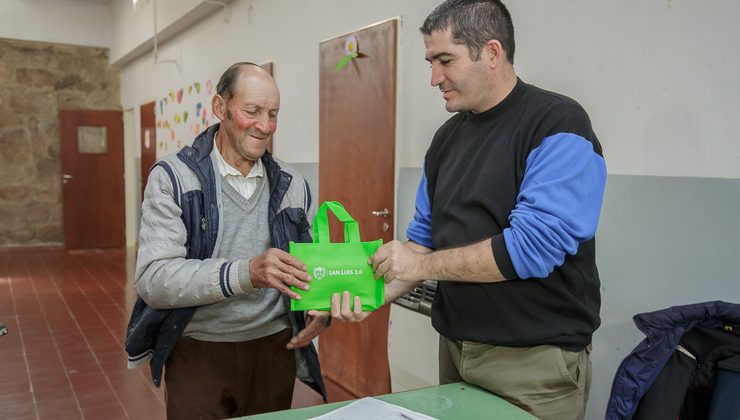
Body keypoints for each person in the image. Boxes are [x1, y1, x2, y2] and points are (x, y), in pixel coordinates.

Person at [320, 1, 607, 419]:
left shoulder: (558, 123)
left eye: (445, 60)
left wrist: (418, 267)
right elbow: (423, 242)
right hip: (455, 349)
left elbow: (527, 251)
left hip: (533, 361)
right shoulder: (445, 140)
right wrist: (371, 295)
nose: (434, 77)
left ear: (491, 53)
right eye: (430, 62)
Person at [125, 62, 328, 419]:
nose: (265, 126)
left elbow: (309, 266)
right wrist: (248, 272)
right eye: (252, 111)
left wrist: (319, 306)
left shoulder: (293, 184)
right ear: (220, 108)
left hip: (274, 349)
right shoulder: (173, 178)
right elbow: (153, 281)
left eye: (273, 114)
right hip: (199, 350)